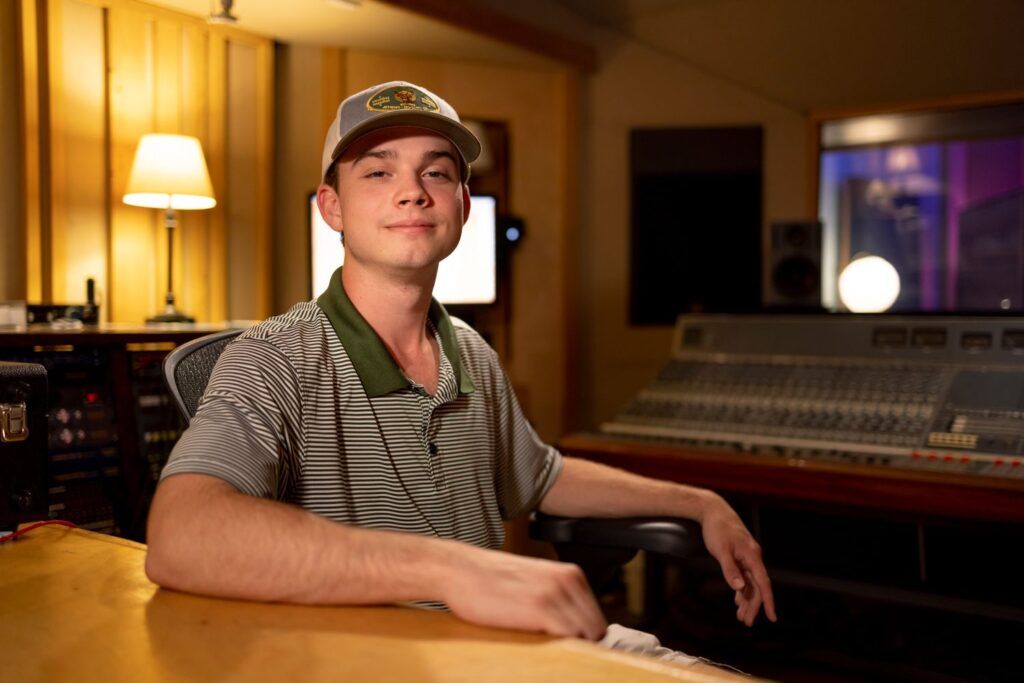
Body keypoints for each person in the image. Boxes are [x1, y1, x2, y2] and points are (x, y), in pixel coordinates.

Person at [146, 81, 775, 650]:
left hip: (494, 650)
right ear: (331, 208)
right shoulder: (274, 356)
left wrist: (699, 502)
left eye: (436, 173)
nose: (413, 191)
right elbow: (182, 535)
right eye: (377, 173)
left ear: (463, 208)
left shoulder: (469, 349)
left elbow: (543, 475)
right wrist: (448, 567)